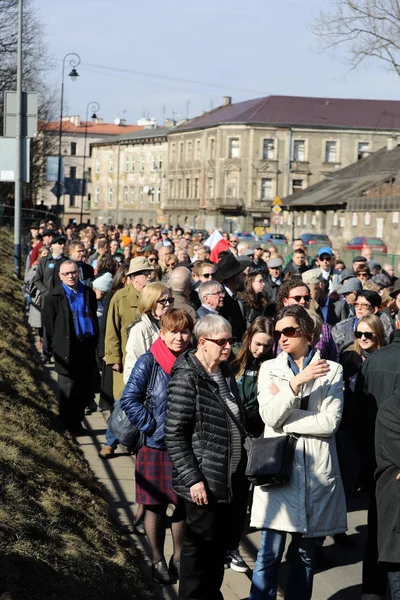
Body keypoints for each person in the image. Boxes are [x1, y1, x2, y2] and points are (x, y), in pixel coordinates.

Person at [249, 305, 347, 600]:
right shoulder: (270, 369)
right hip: (278, 473)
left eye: (288, 331)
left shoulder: (333, 371)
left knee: (304, 558)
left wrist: (285, 417)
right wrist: (296, 383)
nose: (282, 338)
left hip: (315, 473)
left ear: (307, 332)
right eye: (278, 333)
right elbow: (268, 417)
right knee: (267, 555)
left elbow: (330, 423)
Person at [165, 314, 249, 598]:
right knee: (198, 555)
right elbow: (175, 434)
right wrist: (193, 479)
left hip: (229, 478)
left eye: (230, 341)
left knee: (217, 550)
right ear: (202, 343)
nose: (228, 347)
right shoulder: (187, 376)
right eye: (222, 341)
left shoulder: (224, 372)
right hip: (204, 482)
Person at [120, 309, 194, 584]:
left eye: (184, 331)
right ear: (162, 333)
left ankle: (178, 557)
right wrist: (153, 428)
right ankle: (157, 559)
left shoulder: (194, 360)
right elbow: (129, 399)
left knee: (183, 504)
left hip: (186, 448)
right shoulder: (148, 361)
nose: (179, 337)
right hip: (155, 446)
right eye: (173, 331)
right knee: (154, 506)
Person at [353, 312, 400, 600]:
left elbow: (357, 413)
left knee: (379, 528)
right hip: (390, 462)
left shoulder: (375, 361)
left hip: (375, 459)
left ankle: (371, 589)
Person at [42, 260, 99, 435]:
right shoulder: (54, 296)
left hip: (86, 346)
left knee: (83, 388)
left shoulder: (88, 292)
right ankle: (65, 422)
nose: (71, 276)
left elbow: (93, 316)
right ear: (60, 276)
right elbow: (49, 323)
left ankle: (77, 422)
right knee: (68, 388)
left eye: (73, 272)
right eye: (66, 274)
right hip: (66, 348)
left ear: (78, 273)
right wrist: (56, 343)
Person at [338, 315, 385, 493]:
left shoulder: (384, 357)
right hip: (352, 419)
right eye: (359, 333)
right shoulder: (349, 357)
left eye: (368, 333)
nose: (363, 338)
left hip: (376, 418)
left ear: (378, 334)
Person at [105, 256, 154, 401]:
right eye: (144, 273)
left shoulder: (155, 295)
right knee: (125, 400)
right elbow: (111, 330)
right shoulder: (121, 298)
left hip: (150, 355)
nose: (149, 276)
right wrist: (114, 358)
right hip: (127, 359)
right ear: (133, 277)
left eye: (149, 272)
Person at [276, 277, 338, 361]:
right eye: (297, 298)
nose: (303, 302)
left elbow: (333, 358)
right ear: (285, 301)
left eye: (306, 298)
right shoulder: (276, 327)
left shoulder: (323, 328)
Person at [232, 316, 274, 437]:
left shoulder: (271, 364)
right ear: (248, 337)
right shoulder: (233, 356)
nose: (261, 350)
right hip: (234, 421)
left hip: (257, 426)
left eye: (267, 346)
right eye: (258, 344)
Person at [332, 290, 394, 354]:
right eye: (356, 304)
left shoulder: (386, 331)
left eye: (364, 305)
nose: (359, 308)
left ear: (374, 310)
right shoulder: (341, 328)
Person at [214, 251, 248, 342]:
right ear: (236, 278)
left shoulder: (233, 297)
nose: (245, 278)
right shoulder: (222, 300)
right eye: (242, 275)